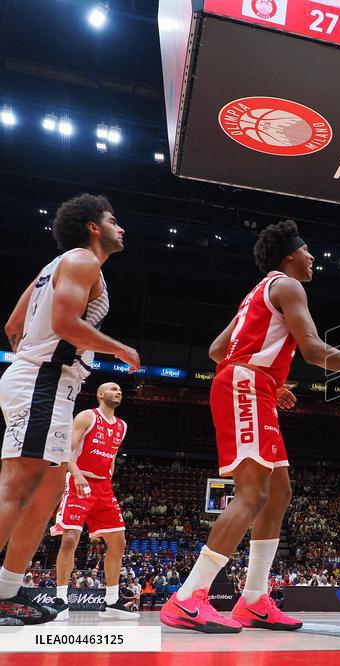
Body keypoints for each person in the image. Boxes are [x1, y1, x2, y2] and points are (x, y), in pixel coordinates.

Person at [159, 220, 340, 634]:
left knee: (279, 492)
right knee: (251, 495)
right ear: (290, 256)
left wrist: (267, 377)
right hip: (247, 388)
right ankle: (188, 597)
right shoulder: (288, 286)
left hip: (255, 387)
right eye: (308, 251)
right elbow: (314, 349)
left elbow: (218, 350)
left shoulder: (257, 292)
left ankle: (252, 599)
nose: (313, 257)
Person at [0, 194, 138, 626]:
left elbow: (13, 327)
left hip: (50, 385)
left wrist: (35, 360)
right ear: (93, 227)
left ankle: (7, 591)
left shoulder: (52, 268)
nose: (121, 227)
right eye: (113, 220)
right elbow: (63, 325)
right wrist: (121, 350)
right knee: (16, 488)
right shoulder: (82, 260)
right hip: (42, 384)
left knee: (44, 496)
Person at [50, 382, 138, 621]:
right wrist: (76, 475)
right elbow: (66, 449)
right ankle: (60, 599)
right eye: (113, 389)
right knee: (69, 539)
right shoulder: (87, 416)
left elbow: (112, 457)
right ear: (100, 394)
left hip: (103, 487)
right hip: (80, 481)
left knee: (118, 543)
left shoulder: (122, 426)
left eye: (119, 390)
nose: (118, 391)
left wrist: (108, 482)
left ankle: (111, 601)